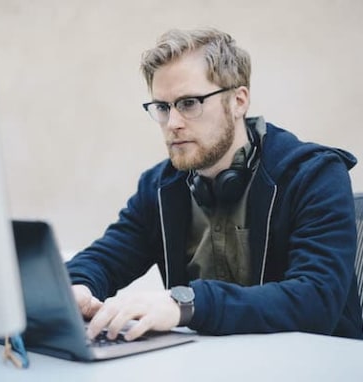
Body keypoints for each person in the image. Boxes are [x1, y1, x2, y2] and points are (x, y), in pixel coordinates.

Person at [67, 27, 363, 341]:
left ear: (238, 101)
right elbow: (105, 258)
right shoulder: (159, 186)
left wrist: (186, 304)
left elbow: (316, 300)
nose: (173, 123)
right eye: (163, 108)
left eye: (190, 103)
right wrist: (78, 287)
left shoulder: (314, 176)